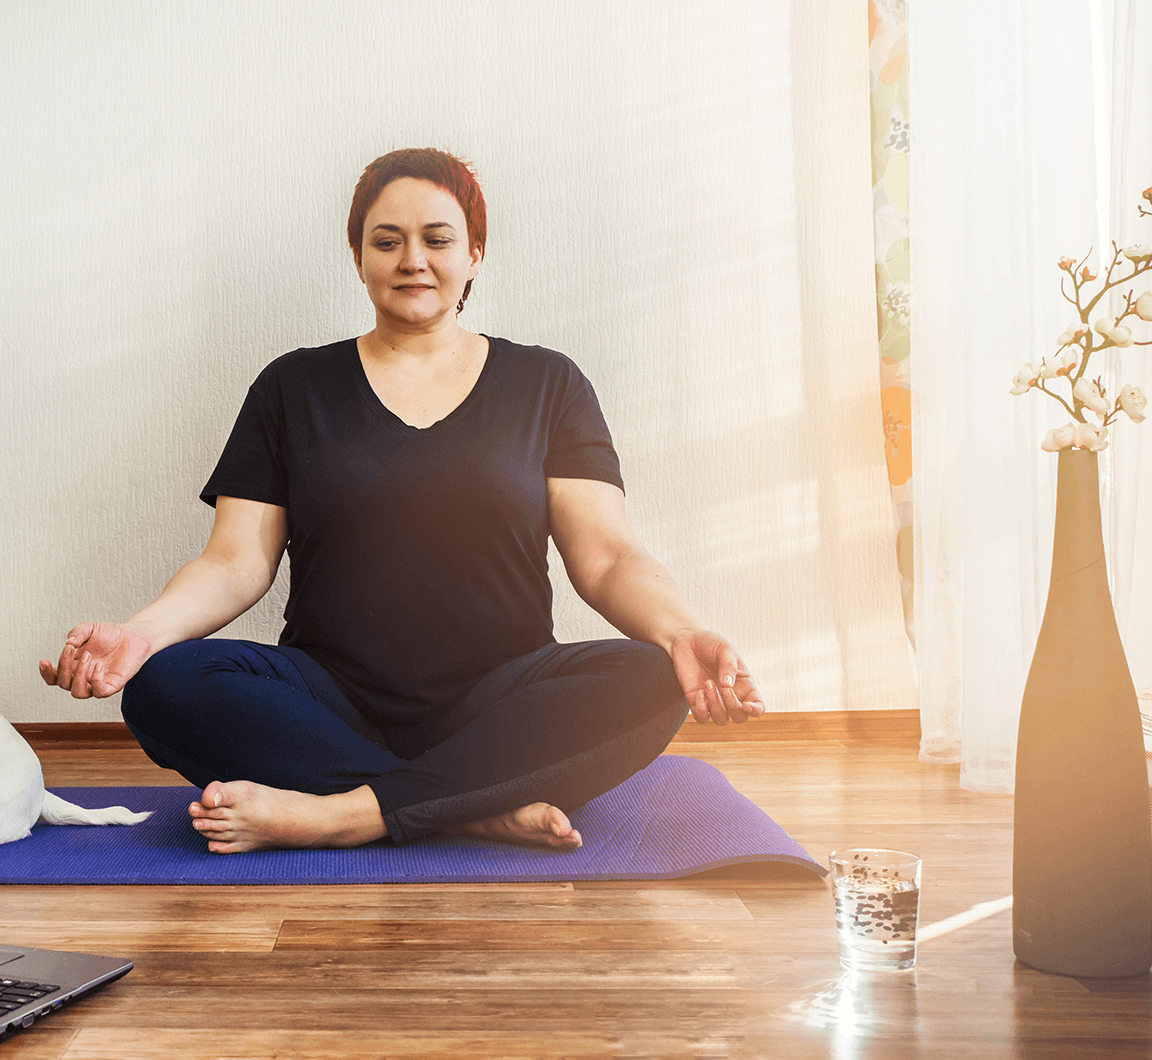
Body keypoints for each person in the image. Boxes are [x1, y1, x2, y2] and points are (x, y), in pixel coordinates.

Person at [41, 148, 764, 855]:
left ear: (474, 254)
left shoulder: (548, 384)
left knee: (649, 678)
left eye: (437, 239)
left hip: (500, 703)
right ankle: (471, 809)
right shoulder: (291, 388)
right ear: (358, 258)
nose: (411, 259)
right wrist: (141, 633)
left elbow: (607, 559)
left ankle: (340, 815)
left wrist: (680, 634)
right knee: (164, 683)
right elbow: (233, 564)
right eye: (386, 241)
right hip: (328, 705)